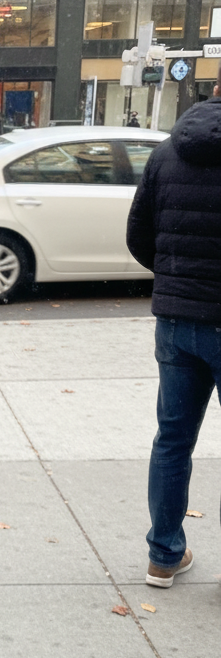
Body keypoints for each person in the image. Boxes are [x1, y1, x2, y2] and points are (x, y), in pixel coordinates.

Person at [126, 67, 221, 588]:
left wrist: (175, 277)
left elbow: (139, 235)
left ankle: (164, 554)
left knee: (173, 440)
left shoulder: (168, 152)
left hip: (177, 319)